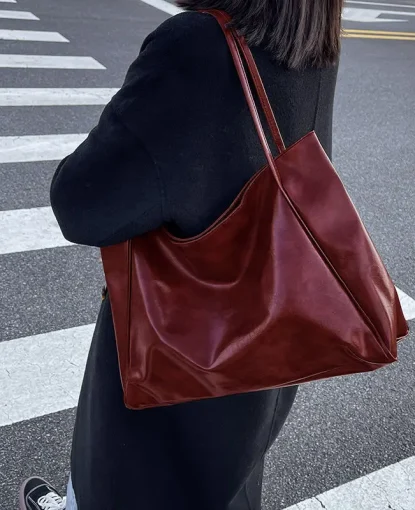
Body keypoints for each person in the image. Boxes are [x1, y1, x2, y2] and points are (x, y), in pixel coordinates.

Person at [19, 1, 342, 508]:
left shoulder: (197, 44)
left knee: (132, 481)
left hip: (180, 348)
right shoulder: (310, 43)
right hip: (265, 334)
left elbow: (81, 203)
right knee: (223, 483)